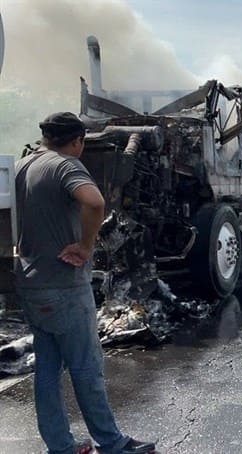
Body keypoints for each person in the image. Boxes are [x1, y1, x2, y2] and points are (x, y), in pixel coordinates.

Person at [15, 112, 156, 454]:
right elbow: (95, 202)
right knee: (86, 367)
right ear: (77, 141)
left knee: (47, 370)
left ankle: (61, 446)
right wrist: (86, 245)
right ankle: (112, 443)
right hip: (63, 285)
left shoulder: (23, 166)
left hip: (31, 281)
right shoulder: (66, 165)